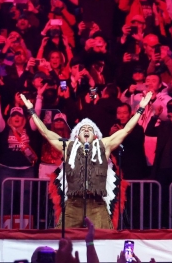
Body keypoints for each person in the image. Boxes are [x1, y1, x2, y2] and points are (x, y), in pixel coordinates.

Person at [22, 92, 151, 228]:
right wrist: (32, 111)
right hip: (73, 204)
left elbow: (126, 130)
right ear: (77, 135)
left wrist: (140, 109)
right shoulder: (68, 147)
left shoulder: (104, 145)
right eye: (83, 128)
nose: (86, 129)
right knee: (65, 240)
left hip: (96, 203)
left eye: (90, 128)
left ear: (95, 134)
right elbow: (45, 132)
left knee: (105, 239)